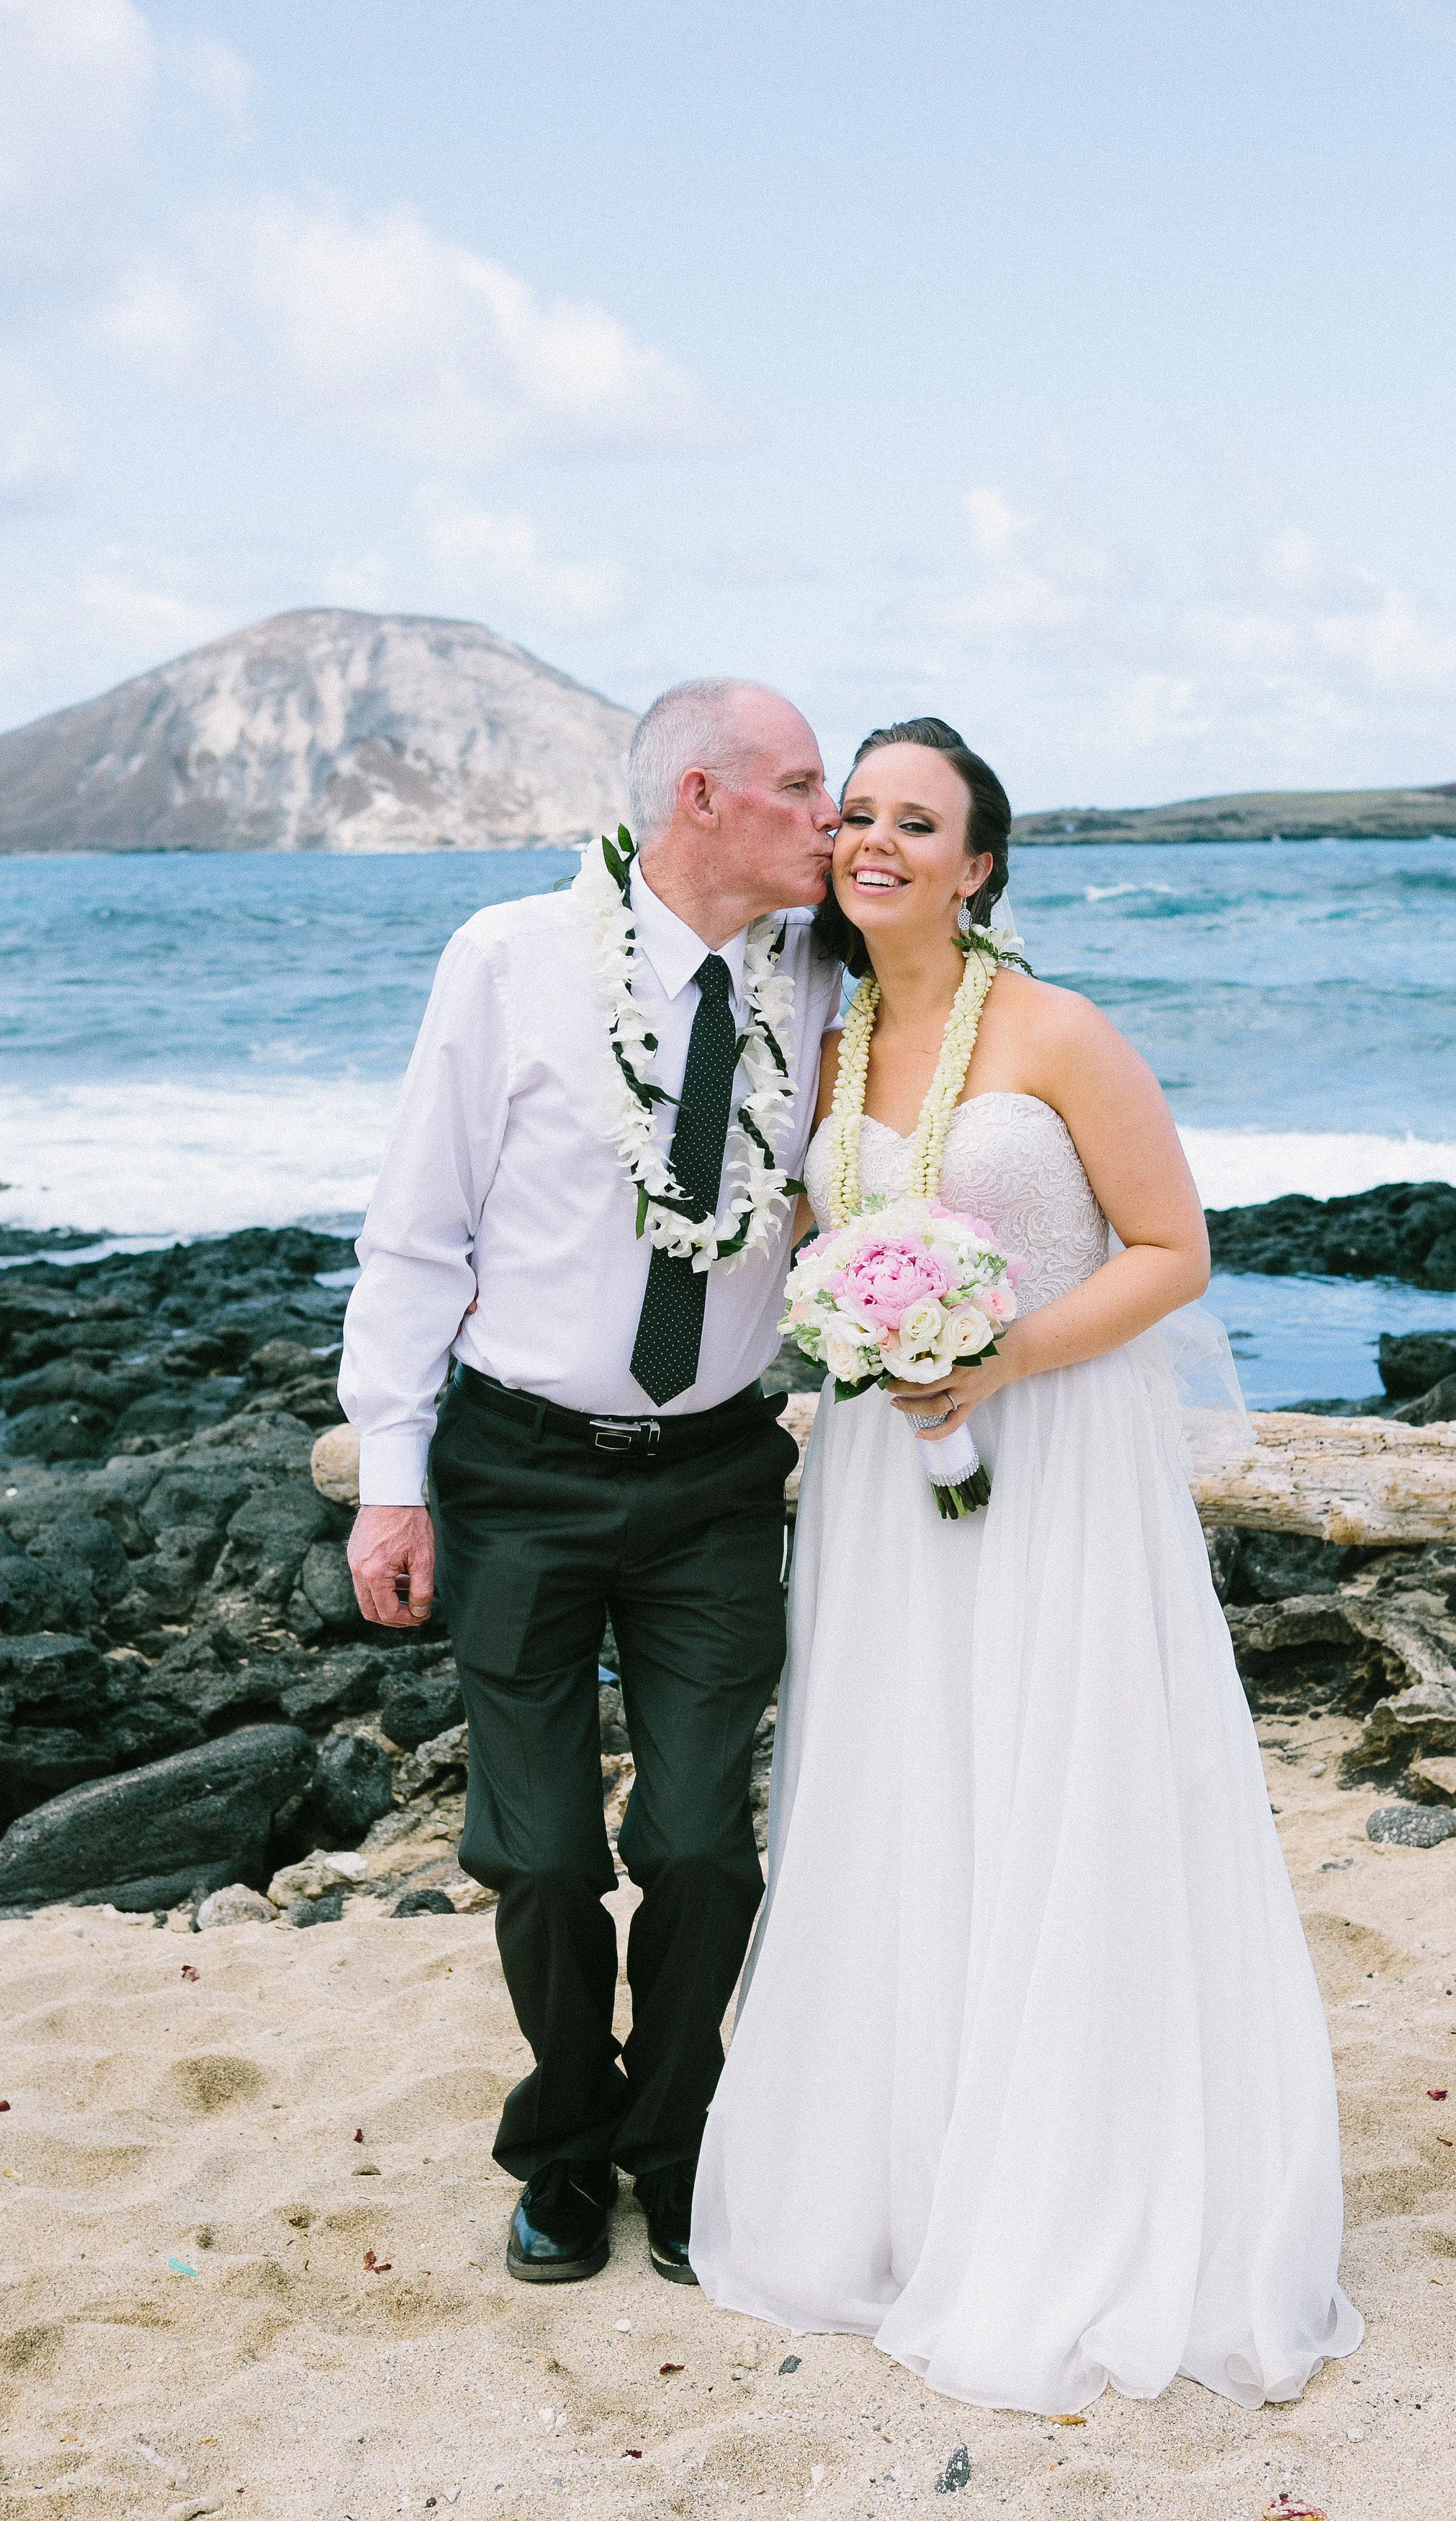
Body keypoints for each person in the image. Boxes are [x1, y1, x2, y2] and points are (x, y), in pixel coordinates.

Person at [690, 717, 1364, 2414]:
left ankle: (1079, 2194)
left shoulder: (1058, 1030)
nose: (875, 842)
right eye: (854, 814)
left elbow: (1175, 1250)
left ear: (977, 863)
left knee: (1066, 1796)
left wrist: (997, 1357)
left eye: (918, 822)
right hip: (880, 1479)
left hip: (1053, 1465)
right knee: (909, 1800)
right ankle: (914, 2189)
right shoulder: (826, 1048)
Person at [338, 679, 842, 2287]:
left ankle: (679, 2148)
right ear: (700, 796)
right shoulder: (507, 962)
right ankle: (562, 2146)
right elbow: (418, 1236)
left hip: (712, 1474)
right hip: (517, 1469)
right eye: (802, 788)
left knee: (702, 1844)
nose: (827, 819)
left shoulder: (825, 978)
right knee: (541, 1850)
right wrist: (391, 1480)